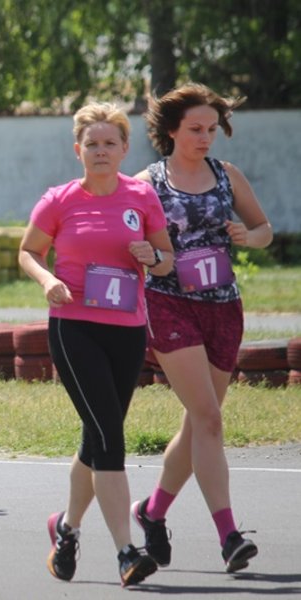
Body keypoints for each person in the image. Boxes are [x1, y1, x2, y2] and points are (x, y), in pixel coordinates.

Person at [18, 102, 175, 587]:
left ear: (125, 148)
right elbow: (28, 251)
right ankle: (127, 552)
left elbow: (167, 259)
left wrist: (153, 256)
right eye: (92, 144)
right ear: (78, 150)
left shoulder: (141, 196)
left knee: (97, 437)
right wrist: (46, 280)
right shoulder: (59, 199)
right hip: (74, 326)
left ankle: (65, 528)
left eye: (110, 143)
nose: (101, 151)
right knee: (110, 438)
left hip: (127, 329)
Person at [131, 83, 272, 574]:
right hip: (169, 305)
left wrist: (246, 236)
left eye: (212, 129)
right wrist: (144, 255)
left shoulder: (225, 174)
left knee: (199, 423)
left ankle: (151, 513)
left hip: (223, 307)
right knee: (210, 419)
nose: (205, 137)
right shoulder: (146, 182)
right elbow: (123, 239)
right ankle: (229, 534)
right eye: (195, 129)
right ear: (171, 130)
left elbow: (264, 229)